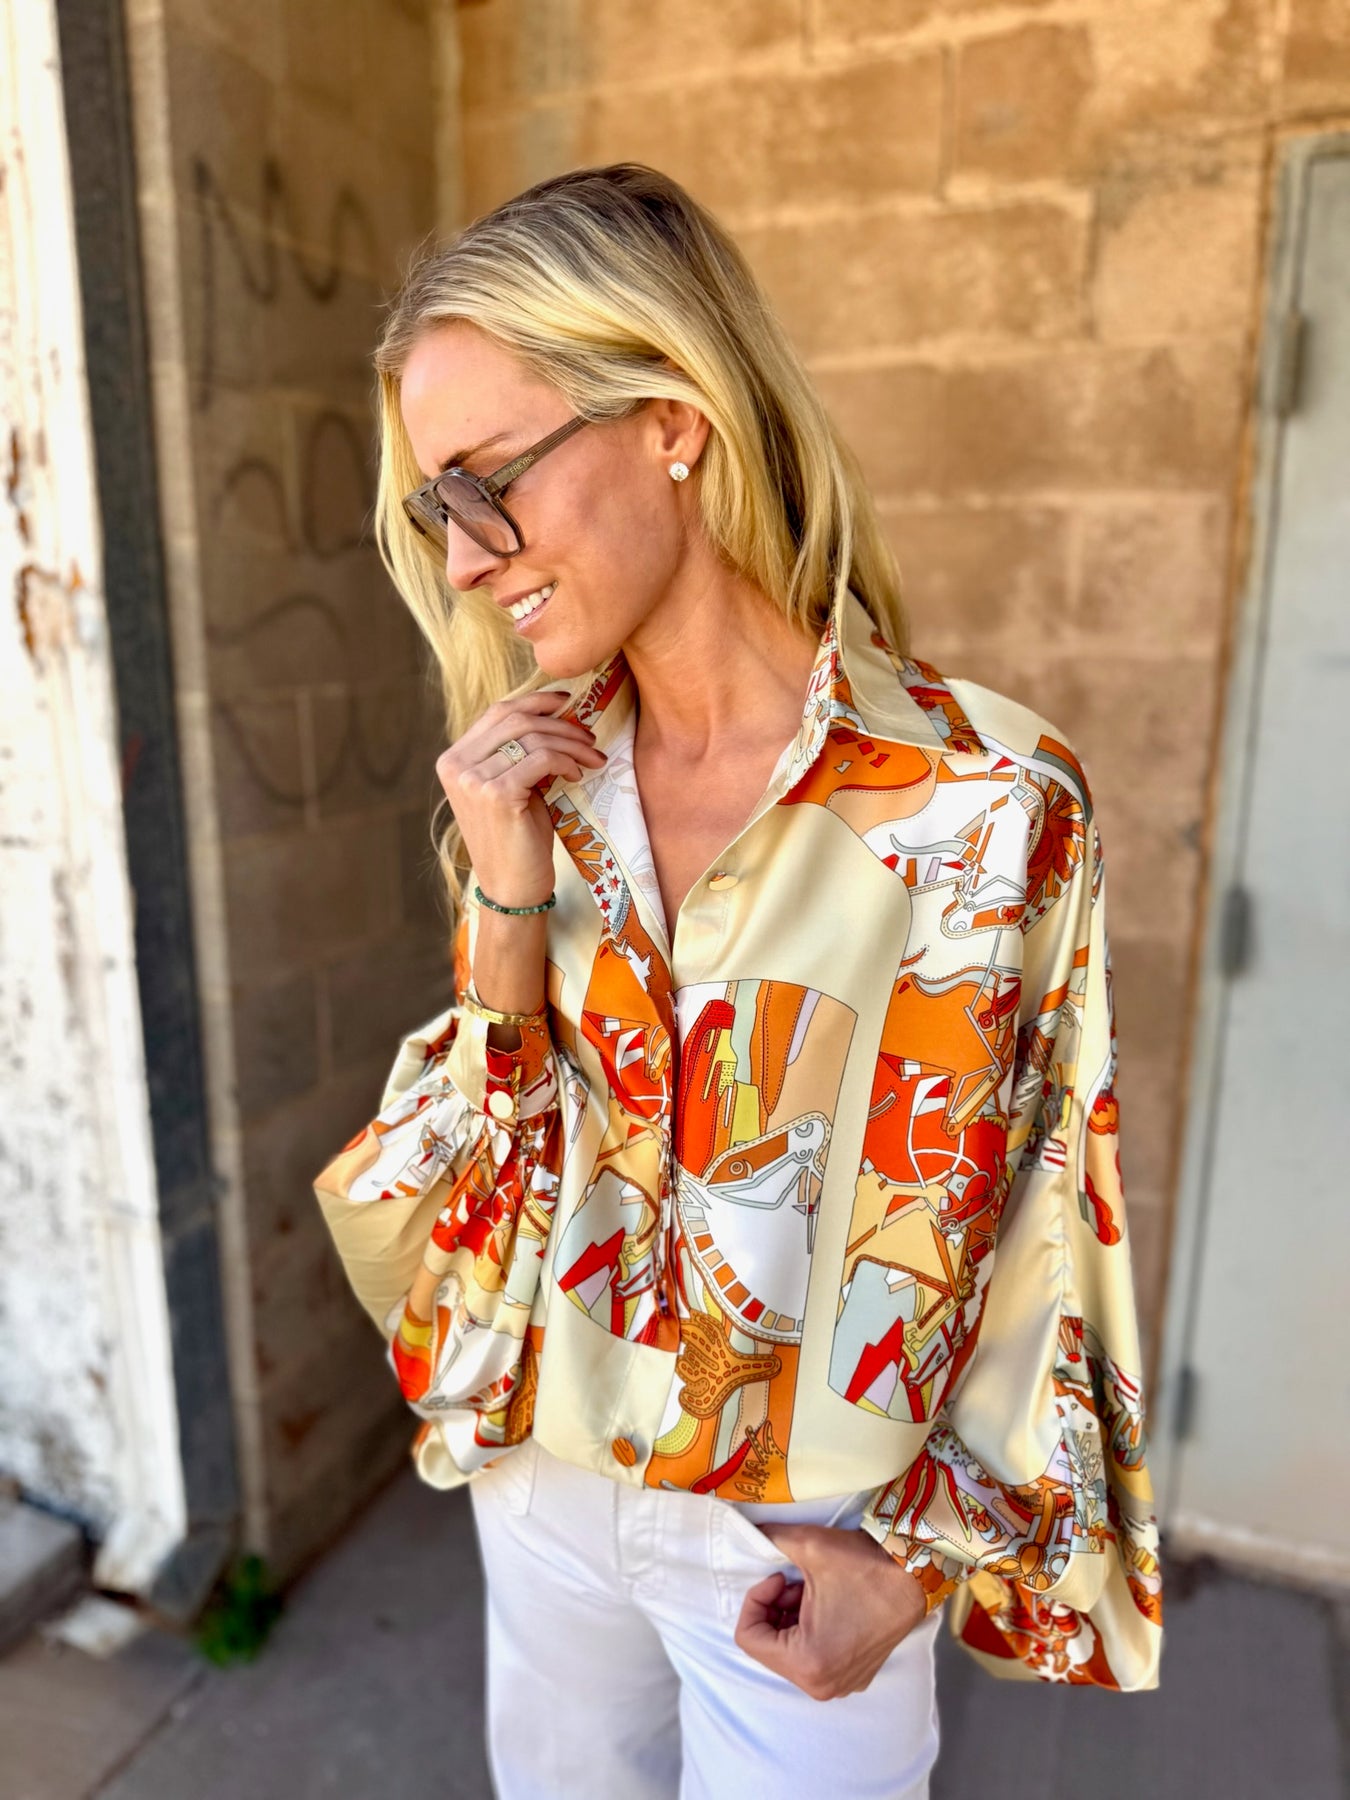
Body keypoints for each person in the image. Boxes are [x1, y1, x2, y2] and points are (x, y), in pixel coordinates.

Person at [314, 163, 1163, 1799]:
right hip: (547, 1487)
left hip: (799, 1541)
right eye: (436, 507)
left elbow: (1041, 1217)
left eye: (487, 482)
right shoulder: (538, 788)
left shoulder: (980, 803)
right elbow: (494, 1179)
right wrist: (505, 891)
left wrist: (916, 1560)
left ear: (671, 421)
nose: (467, 558)